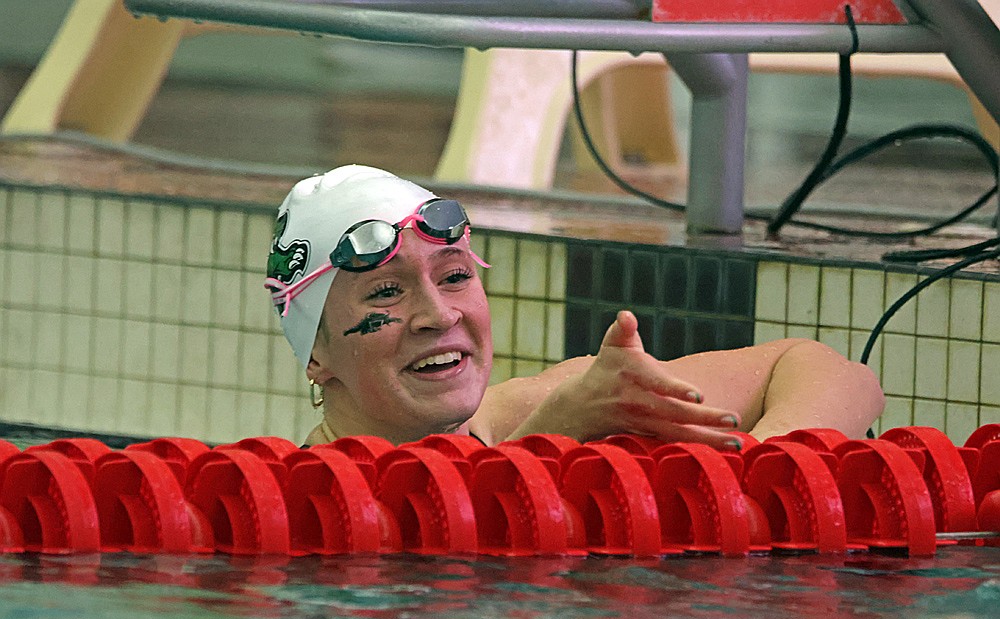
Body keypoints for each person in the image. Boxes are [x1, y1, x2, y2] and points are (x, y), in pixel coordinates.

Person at [265, 166, 884, 449]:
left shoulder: (537, 406)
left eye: (453, 277)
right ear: (316, 351)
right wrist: (552, 438)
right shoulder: (305, 505)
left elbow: (830, 371)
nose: (439, 315)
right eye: (387, 292)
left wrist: (755, 475)